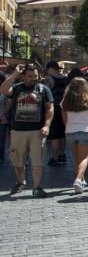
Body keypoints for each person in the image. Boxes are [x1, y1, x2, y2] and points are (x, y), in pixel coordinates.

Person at [2, 64, 54, 197]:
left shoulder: (44, 89)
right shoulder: (17, 88)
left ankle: (37, 187)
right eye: (30, 76)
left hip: (37, 131)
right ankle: (20, 182)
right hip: (18, 130)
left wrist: (47, 125)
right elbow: (3, 89)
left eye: (35, 76)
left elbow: (50, 109)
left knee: (38, 160)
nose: (33, 79)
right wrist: (14, 74)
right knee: (18, 160)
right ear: (23, 76)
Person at [61, 77, 88, 194]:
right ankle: (78, 180)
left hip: (70, 132)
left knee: (76, 158)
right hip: (85, 131)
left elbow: (65, 119)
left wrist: (68, 128)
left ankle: (81, 180)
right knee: (84, 158)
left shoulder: (65, 100)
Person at [44, 61, 68, 166]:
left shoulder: (49, 79)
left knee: (54, 135)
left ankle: (55, 158)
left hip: (54, 108)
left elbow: (45, 93)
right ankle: (62, 155)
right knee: (62, 134)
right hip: (65, 108)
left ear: (50, 68)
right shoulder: (65, 78)